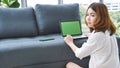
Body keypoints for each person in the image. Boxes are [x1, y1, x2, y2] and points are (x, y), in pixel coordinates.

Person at [64, 2, 120, 68]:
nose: (88, 18)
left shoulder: (97, 36)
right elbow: (102, 41)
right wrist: (92, 36)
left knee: (69, 64)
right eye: (87, 15)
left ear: (101, 17)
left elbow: (79, 54)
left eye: (92, 15)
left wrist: (70, 42)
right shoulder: (109, 30)